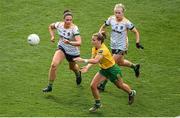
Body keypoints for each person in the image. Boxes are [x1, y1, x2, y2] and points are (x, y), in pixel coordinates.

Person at [74, 31, 136, 112]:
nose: (92, 41)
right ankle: (97, 104)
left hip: (113, 70)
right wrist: (87, 67)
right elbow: (93, 59)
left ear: (99, 41)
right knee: (93, 85)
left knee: (120, 86)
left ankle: (131, 93)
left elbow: (96, 60)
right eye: (92, 39)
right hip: (104, 70)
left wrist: (82, 60)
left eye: (93, 40)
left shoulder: (103, 50)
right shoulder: (95, 48)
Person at [98, 3, 144, 91]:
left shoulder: (126, 22)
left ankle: (102, 85)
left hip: (122, 46)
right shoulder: (111, 19)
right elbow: (103, 27)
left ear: (123, 13)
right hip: (113, 45)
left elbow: (136, 32)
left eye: (119, 13)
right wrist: (100, 33)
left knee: (110, 64)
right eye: (116, 12)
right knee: (120, 62)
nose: (117, 15)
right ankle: (134, 66)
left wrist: (137, 42)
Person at [42, 10, 82, 92]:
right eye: (67, 20)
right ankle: (50, 86)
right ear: (63, 19)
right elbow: (50, 27)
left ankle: (78, 74)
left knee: (72, 67)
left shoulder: (74, 29)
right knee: (53, 65)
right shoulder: (59, 25)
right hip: (62, 47)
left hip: (73, 51)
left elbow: (79, 43)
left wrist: (69, 42)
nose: (69, 21)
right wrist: (52, 36)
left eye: (70, 20)